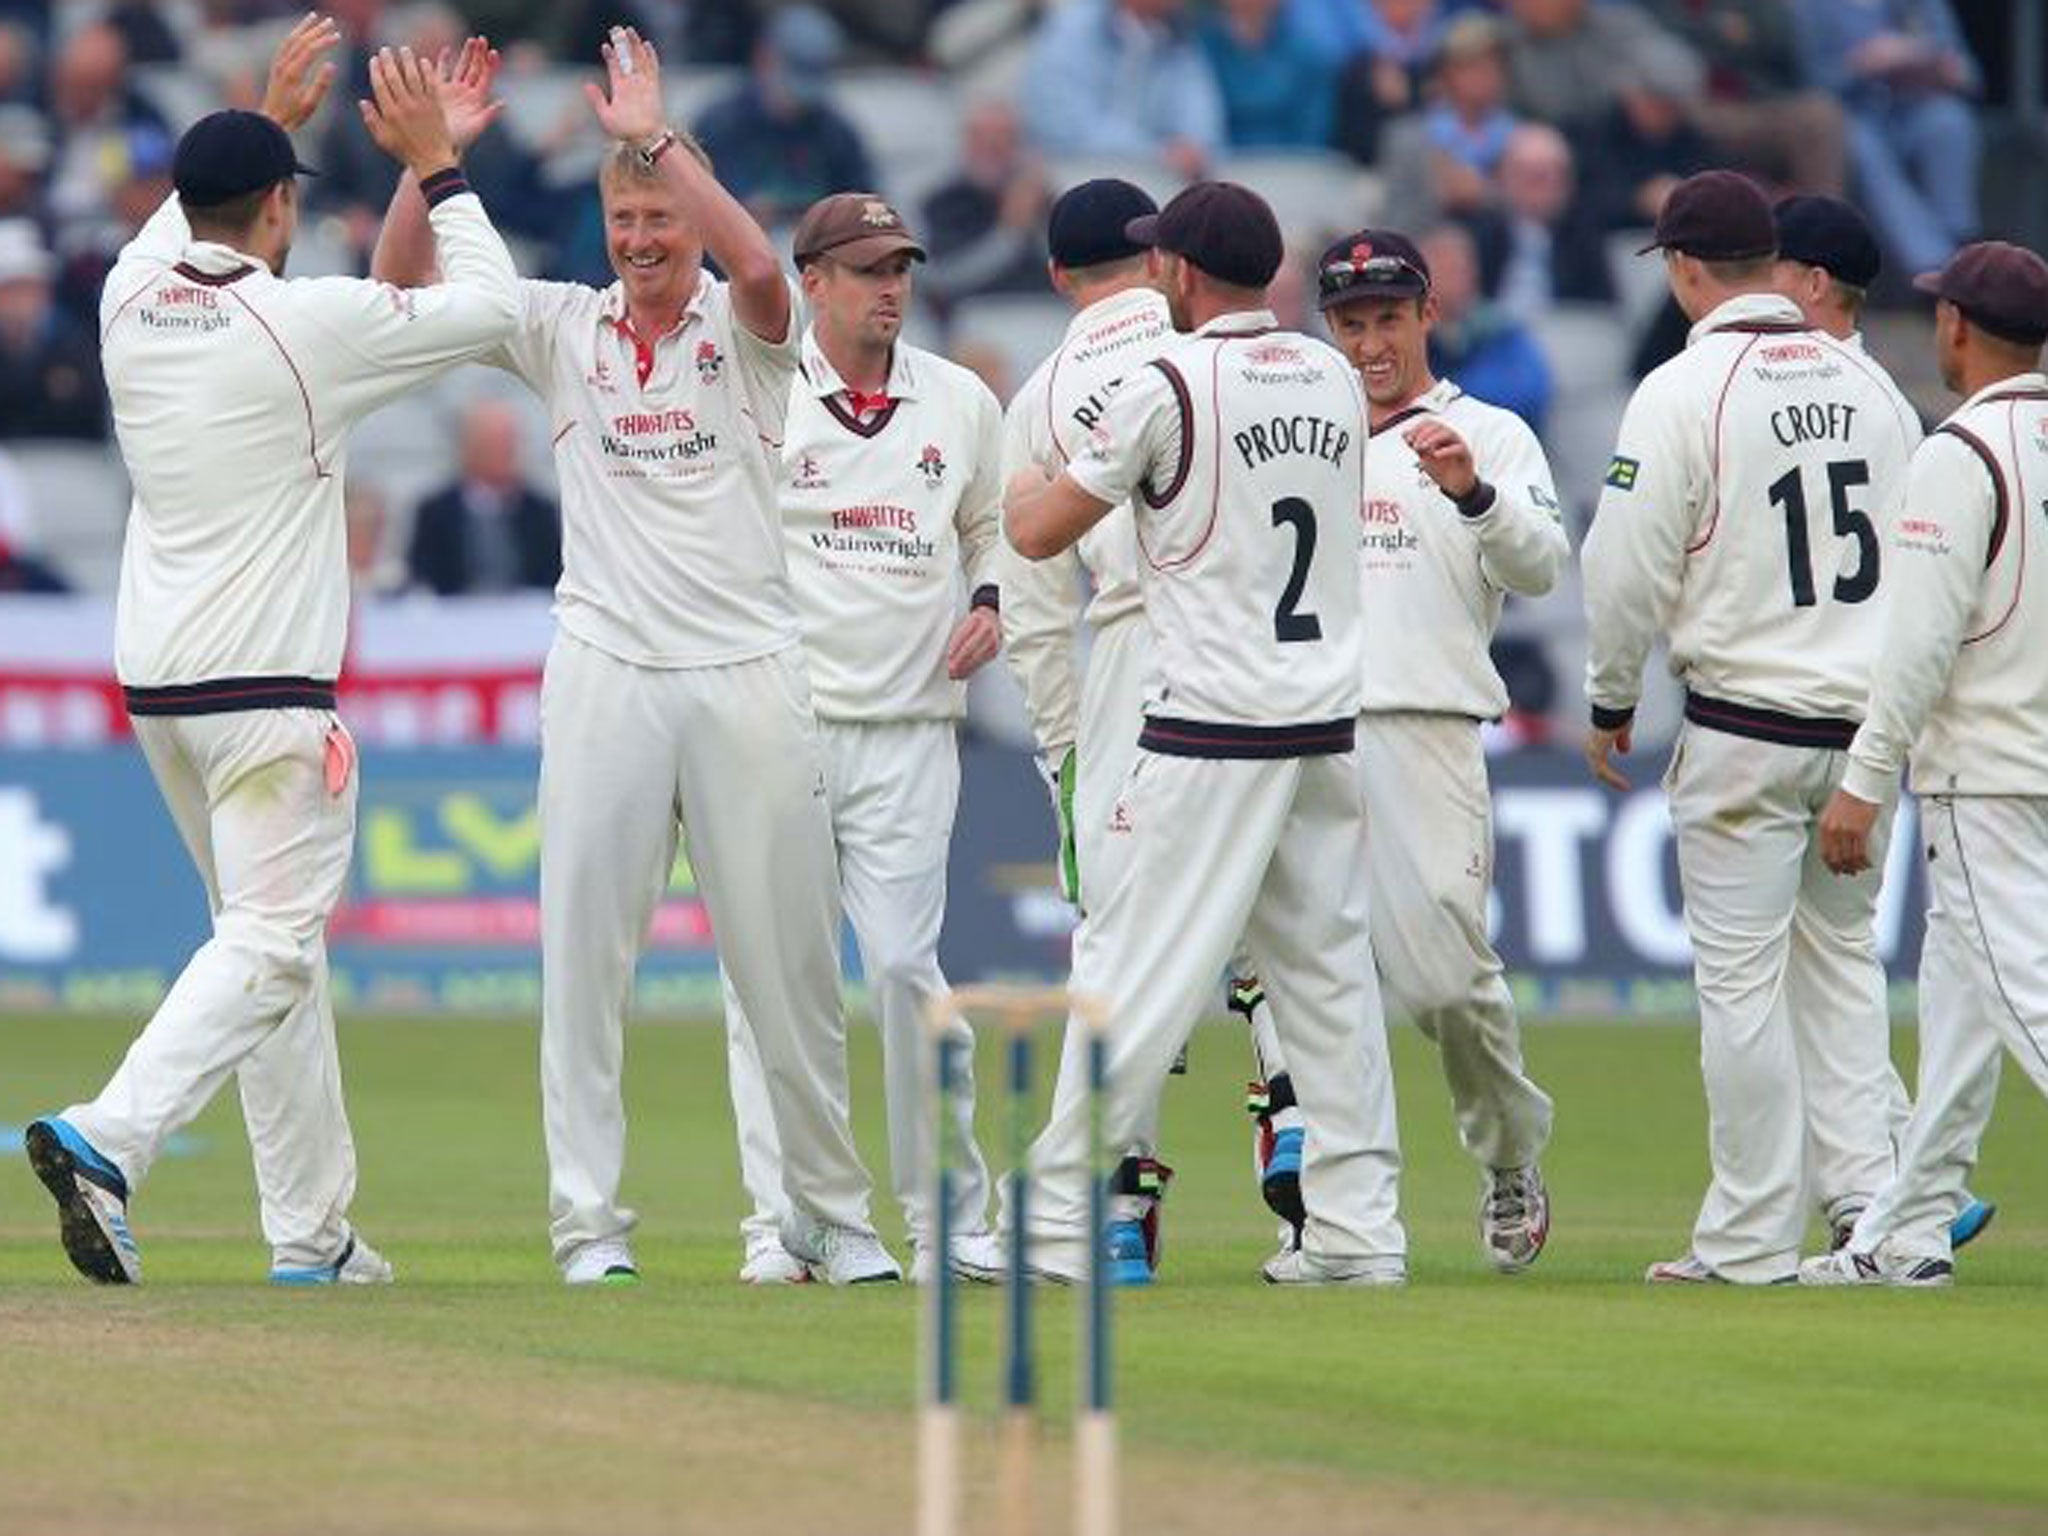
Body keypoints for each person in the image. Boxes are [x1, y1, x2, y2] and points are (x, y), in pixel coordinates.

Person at [370, 27, 890, 1286]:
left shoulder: (751, 326)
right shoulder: (559, 327)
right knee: (583, 967)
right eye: (625, 219)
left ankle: (817, 1221)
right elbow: (396, 291)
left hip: (748, 668)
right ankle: (589, 1232)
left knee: (786, 975)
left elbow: (762, 262)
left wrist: (653, 138)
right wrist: (425, 163)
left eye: (660, 214)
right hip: (605, 669)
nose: (644, 239)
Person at [23, 19, 521, 1286]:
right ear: (283, 211)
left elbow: (209, 198)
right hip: (267, 697)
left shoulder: (128, 293)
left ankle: (311, 1234)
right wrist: (438, 166)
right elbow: (491, 311)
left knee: (263, 948)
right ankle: (105, 1137)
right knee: (274, 943)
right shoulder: (307, 326)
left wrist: (268, 114)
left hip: (158, 693)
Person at [1006, 181, 1406, 1286]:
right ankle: (1357, 1232)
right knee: (1325, 983)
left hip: (1208, 724)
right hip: (1322, 720)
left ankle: (1049, 1224)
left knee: (1138, 973)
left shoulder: (1164, 382)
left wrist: (1028, 470)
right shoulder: (1329, 374)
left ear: (1179, 275)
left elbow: (1038, 534)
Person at [1580, 171, 1922, 1285]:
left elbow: (1622, 567)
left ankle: (1745, 1237)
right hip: (1860, 737)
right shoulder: (1871, 388)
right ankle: (1871, 1206)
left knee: (1738, 987)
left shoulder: (1682, 391)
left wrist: (1608, 696)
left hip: (1742, 729)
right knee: (1839, 969)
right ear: (1768, 262)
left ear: (1684, 269)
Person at [1247, 227, 1567, 1272]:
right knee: (1307, 986)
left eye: (1387, 318)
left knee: (1440, 981)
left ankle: (1508, 1151)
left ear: (1426, 315)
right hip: (1299, 727)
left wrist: (1472, 490)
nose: (1370, 341)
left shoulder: (1490, 432)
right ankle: (1328, 1221)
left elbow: (1541, 569)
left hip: (1422, 725)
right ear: (1323, 327)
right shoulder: (1293, 432)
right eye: (1349, 323)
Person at [999, 178, 1292, 1284]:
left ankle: (1118, 1204)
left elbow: (1028, 600)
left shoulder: (1041, 395)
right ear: (1159, 261)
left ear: (1057, 277)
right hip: (1267, 647)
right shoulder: (1240, 357)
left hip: (1132, 655)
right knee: (1281, 908)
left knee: (1122, 930)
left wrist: (1063, 749)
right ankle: (1293, 1110)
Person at [718, 193, 1006, 1287]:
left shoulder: (960, 399)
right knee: (773, 990)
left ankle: (949, 1219)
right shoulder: (761, 385)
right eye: (867, 269)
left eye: (901, 268)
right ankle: (778, 1223)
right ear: (812, 281)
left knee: (901, 966)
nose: (890, 287)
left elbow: (990, 523)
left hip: (910, 728)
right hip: (779, 724)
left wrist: (987, 598)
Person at [1801, 241, 2048, 1287]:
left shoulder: (1961, 452)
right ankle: (1901, 1234)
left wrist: (1864, 780)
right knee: (1956, 1018)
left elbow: (1915, 646)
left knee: (2026, 994)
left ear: (1953, 327)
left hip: (1984, 775)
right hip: (2025, 761)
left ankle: (1898, 1231)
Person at [1768, 196, 2000, 1256]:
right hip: (1870, 717)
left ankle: (1874, 1190)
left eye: (1769, 267)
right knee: (1850, 966)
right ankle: (1905, 1192)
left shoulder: (1769, 393)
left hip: (1813, 712)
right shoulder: (1891, 408)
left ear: (1812, 284)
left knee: (1805, 969)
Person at [691, 6, 875, 232]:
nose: (800, 101)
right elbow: (695, 210)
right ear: (764, 58)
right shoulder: (720, 125)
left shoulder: (836, 132)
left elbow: (867, 210)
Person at [1017, 0, 1224, 181]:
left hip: (1156, 191)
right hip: (1073, 188)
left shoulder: (1181, 38)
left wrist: (1192, 148)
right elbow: (1065, 125)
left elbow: (1200, 116)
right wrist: (1159, 153)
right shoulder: (1068, 31)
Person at [405, 398, 561, 595]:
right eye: (494, 444)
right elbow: (423, 579)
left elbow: (552, 577)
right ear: (469, 447)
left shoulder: (540, 511)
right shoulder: (436, 512)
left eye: (508, 443)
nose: (505, 453)